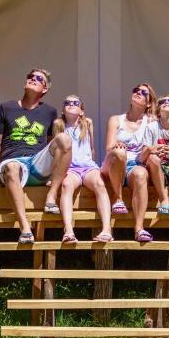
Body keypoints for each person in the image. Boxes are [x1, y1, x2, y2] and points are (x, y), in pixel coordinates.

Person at [0, 68, 71, 244]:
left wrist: (55, 177)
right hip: (12, 163)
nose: (33, 79)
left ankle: (51, 197)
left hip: (36, 164)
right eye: (30, 77)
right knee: (12, 167)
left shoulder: (50, 112)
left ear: (45, 89)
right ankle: (25, 228)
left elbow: (54, 145)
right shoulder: (6, 108)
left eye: (39, 78)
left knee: (64, 139)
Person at [51, 95, 114, 243]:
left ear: (81, 110)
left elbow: (91, 148)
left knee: (100, 184)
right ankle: (68, 230)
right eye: (67, 102)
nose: (71, 104)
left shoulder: (87, 123)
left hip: (87, 166)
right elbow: (55, 151)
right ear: (63, 109)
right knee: (66, 185)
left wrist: (93, 165)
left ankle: (106, 229)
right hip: (69, 168)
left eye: (75, 103)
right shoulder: (58, 124)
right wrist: (54, 175)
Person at [101, 82, 157, 242]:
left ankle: (139, 228)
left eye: (143, 92)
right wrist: (117, 146)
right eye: (136, 90)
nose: (138, 93)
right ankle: (118, 198)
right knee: (119, 152)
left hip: (135, 165)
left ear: (148, 103)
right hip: (114, 163)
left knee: (140, 174)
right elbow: (108, 149)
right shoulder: (116, 119)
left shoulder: (151, 121)